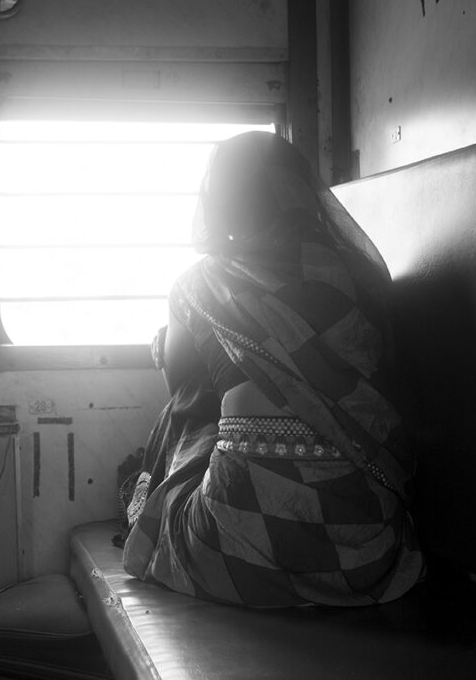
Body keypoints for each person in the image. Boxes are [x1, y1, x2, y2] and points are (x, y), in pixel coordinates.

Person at [119, 132, 424, 607]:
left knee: (191, 412)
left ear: (220, 201)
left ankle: (145, 499)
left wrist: (180, 344)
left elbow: (182, 394)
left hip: (233, 545)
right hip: (364, 551)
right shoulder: (357, 273)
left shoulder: (199, 283)